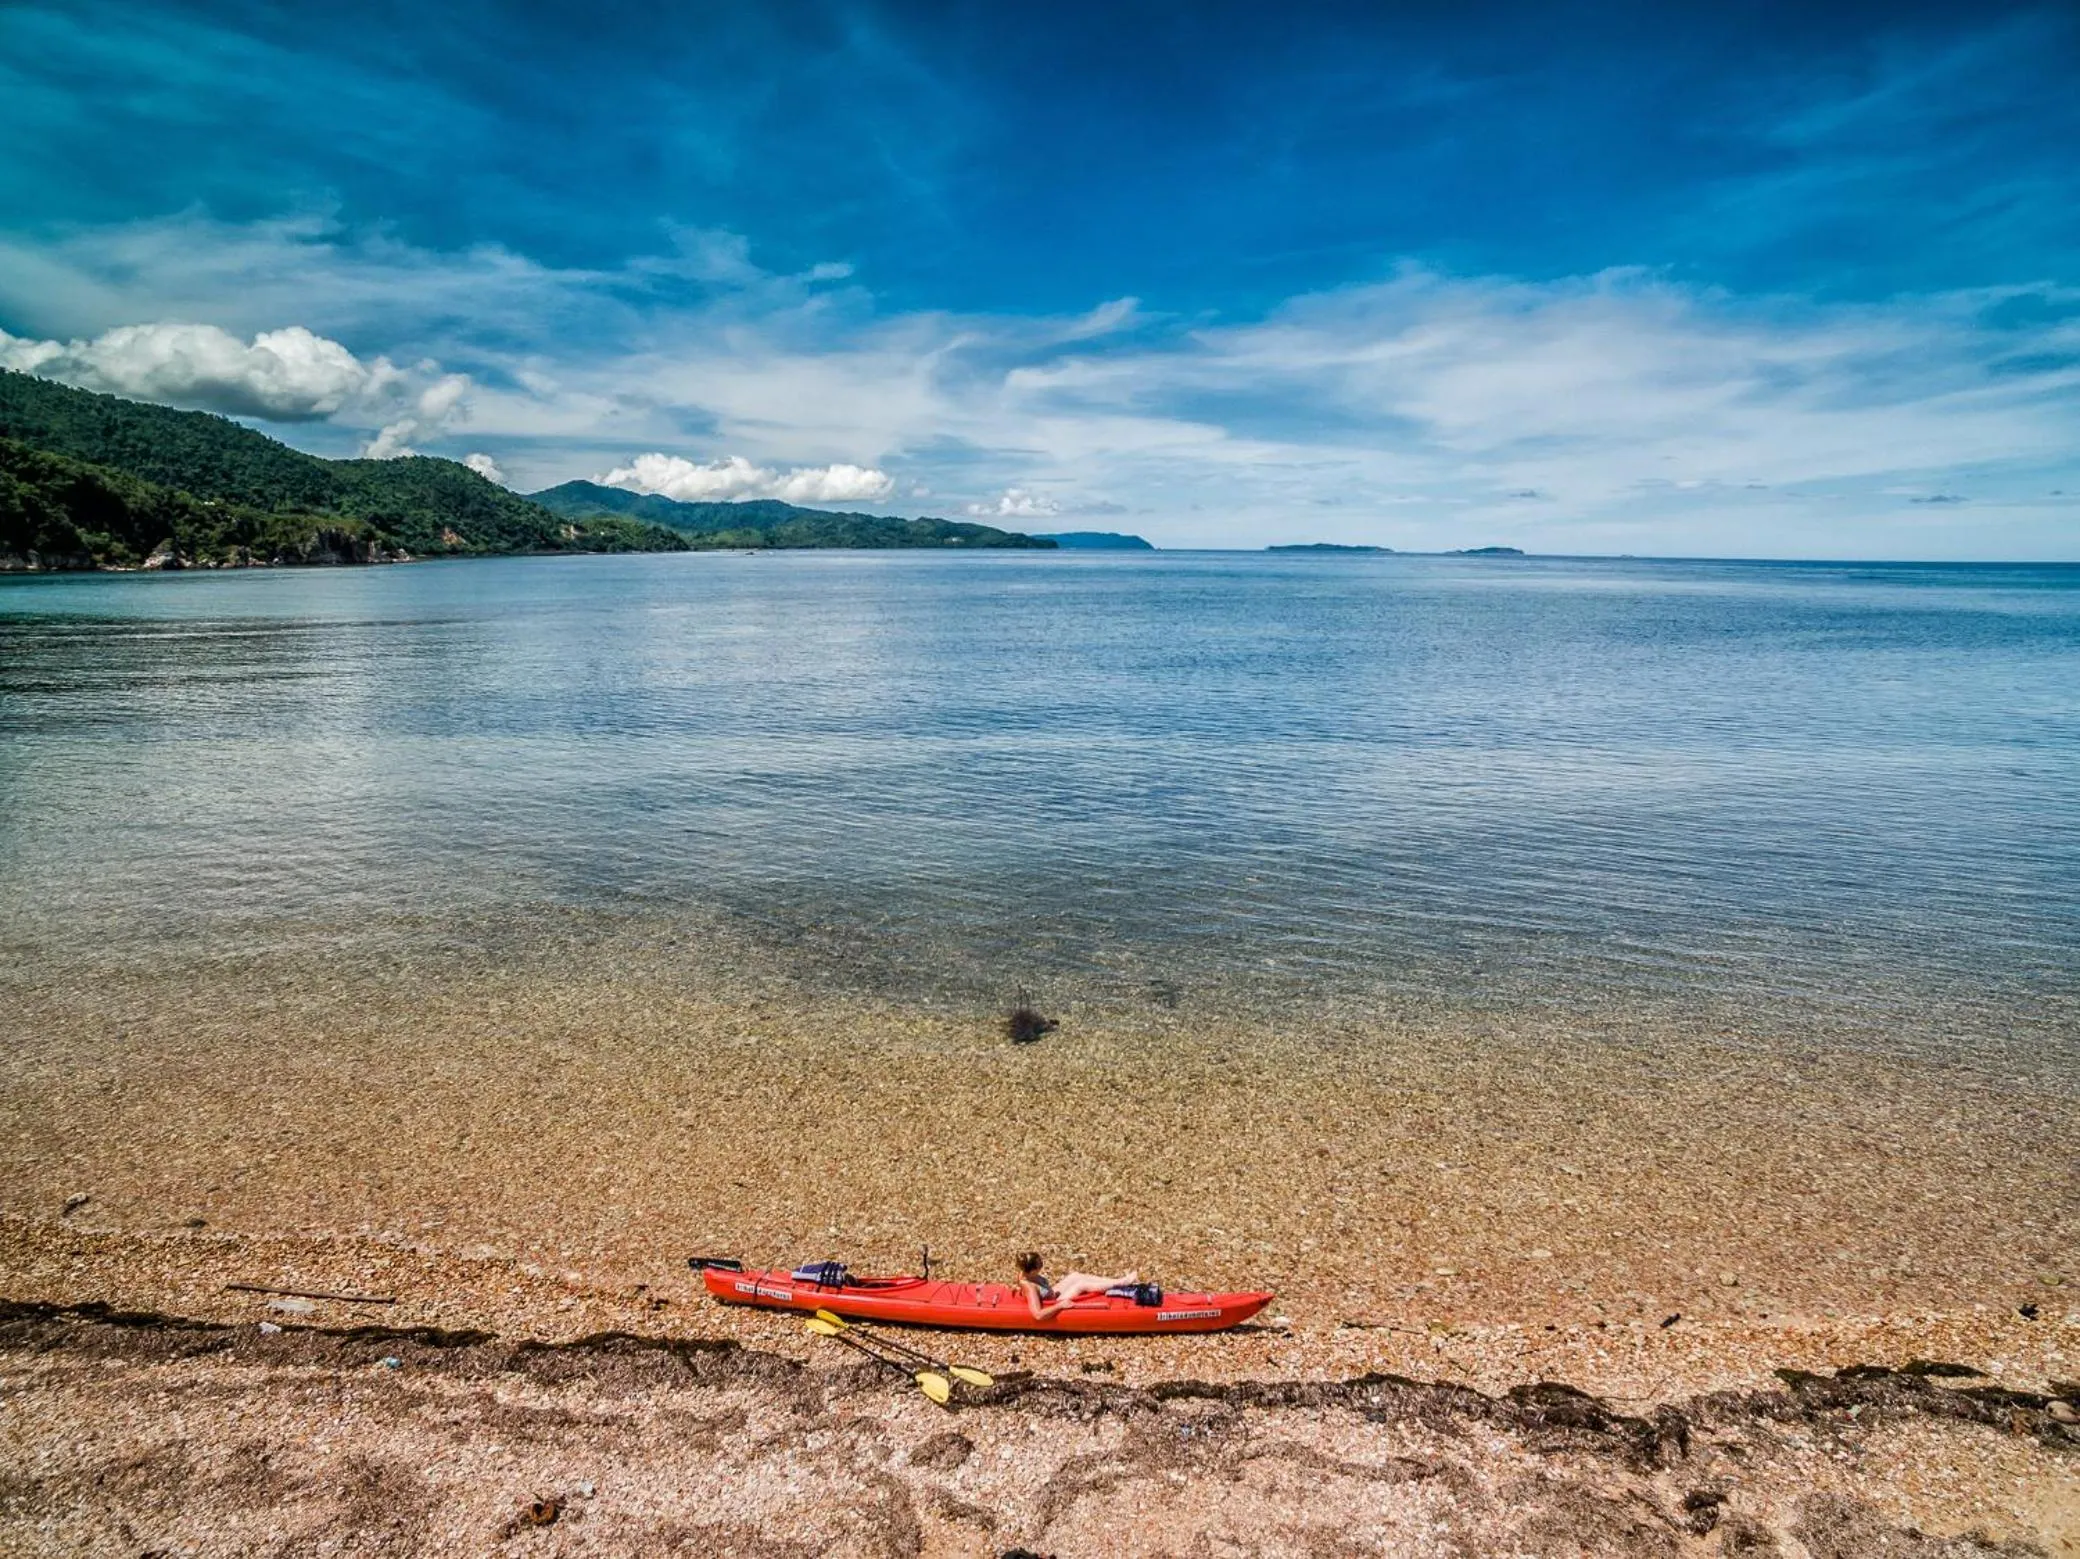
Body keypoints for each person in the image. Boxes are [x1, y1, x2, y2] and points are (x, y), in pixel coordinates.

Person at [1015, 1251, 1139, 1321]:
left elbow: (1018, 1281)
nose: (1042, 1266)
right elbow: (1038, 1315)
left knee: (1075, 1275)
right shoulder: (1030, 1288)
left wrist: (1017, 1288)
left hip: (1051, 1292)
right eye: (1039, 1265)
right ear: (1031, 1271)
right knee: (1081, 1285)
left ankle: (1118, 1281)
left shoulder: (1023, 1271)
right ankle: (1122, 1283)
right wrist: (1060, 1306)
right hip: (1054, 1302)